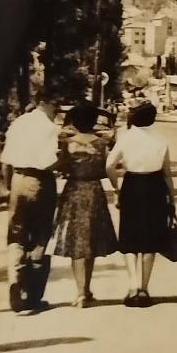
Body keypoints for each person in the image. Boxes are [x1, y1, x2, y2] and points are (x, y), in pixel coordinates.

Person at [106, 101, 175, 308]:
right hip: (154, 187)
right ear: (153, 119)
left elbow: (109, 165)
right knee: (150, 238)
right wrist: (172, 198)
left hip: (132, 186)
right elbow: (167, 173)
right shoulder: (161, 140)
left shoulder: (126, 138)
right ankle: (144, 289)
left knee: (130, 236)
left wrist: (116, 187)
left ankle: (132, 286)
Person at [52, 102, 119, 307]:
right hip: (94, 192)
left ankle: (81, 292)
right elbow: (107, 168)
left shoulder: (66, 143)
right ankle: (86, 289)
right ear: (93, 121)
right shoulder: (102, 144)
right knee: (90, 241)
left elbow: (61, 166)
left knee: (76, 243)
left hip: (73, 191)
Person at [0, 95, 60, 313]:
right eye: (56, 107)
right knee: (40, 235)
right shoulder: (49, 127)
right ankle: (34, 296)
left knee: (16, 234)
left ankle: (15, 280)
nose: (57, 112)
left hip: (17, 179)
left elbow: (5, 161)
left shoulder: (18, 123)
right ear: (46, 104)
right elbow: (51, 161)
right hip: (40, 180)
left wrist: (10, 185)